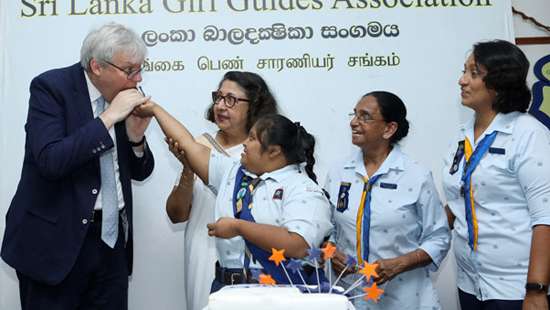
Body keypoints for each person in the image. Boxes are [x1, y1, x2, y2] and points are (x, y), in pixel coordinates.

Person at [1, 23, 154, 309]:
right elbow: (51, 161)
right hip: (55, 244)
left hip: (111, 244)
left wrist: (135, 137)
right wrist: (108, 118)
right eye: (130, 70)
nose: (138, 78)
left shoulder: (122, 96)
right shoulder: (51, 89)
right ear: (97, 66)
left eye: (140, 68)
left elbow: (140, 171)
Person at [134, 99, 332, 291]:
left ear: (273, 152)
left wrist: (238, 227)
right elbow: (187, 144)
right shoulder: (231, 172)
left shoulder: (304, 189)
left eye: (253, 138)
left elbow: (298, 245)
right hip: (227, 291)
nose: (245, 143)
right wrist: (155, 109)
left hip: (277, 295)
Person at [443, 40, 550, 310]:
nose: (462, 80)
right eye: (464, 71)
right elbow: (458, 201)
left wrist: (536, 290)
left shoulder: (528, 134)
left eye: (473, 73)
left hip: (516, 289)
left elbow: (545, 217)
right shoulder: (463, 136)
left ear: (500, 83)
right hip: (471, 283)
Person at [324, 91, 450, 309]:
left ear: (389, 129)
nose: (354, 122)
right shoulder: (339, 173)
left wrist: (399, 264)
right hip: (350, 297)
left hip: (405, 298)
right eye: (354, 115)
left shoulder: (415, 175)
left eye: (365, 117)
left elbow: (438, 238)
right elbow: (327, 230)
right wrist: (331, 252)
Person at [164, 71, 278, 310]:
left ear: (255, 106)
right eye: (218, 97)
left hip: (253, 259)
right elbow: (176, 214)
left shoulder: (269, 154)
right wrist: (188, 169)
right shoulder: (199, 146)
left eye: (231, 100)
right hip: (203, 252)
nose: (221, 106)